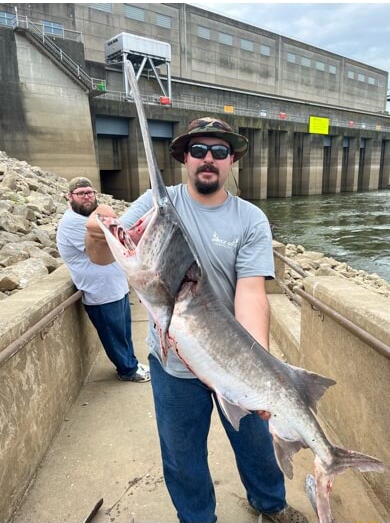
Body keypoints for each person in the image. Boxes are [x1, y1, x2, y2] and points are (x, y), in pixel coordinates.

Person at [86, 119, 308, 523]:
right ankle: (197, 518)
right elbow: (105, 256)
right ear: (185, 158)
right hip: (172, 367)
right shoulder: (157, 205)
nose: (209, 159)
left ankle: (271, 505)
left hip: (235, 362)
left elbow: (252, 294)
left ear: (232, 160)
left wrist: (260, 373)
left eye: (219, 152)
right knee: (182, 456)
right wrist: (95, 234)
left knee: (257, 446)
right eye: (199, 150)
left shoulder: (250, 219)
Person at [56, 176, 150, 383]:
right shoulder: (73, 223)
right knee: (113, 335)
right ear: (69, 197)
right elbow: (112, 241)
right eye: (81, 194)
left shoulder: (91, 219)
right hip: (101, 293)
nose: (87, 197)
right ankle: (127, 371)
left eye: (90, 192)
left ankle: (131, 363)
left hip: (116, 288)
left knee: (123, 332)